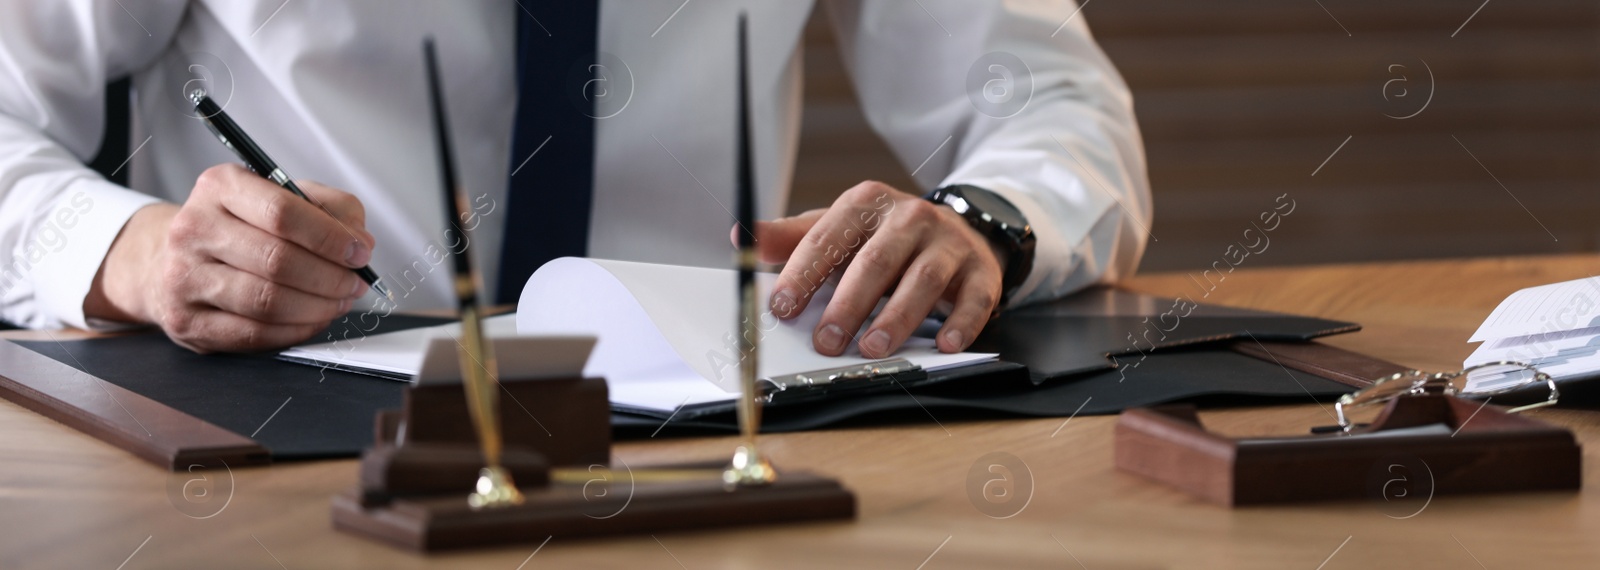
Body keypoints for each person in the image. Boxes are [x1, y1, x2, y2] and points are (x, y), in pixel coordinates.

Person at [0, 0, 1149, 357]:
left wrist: (980, 223)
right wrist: (132, 252)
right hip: (285, 434)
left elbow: (1051, 100)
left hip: (709, 448)